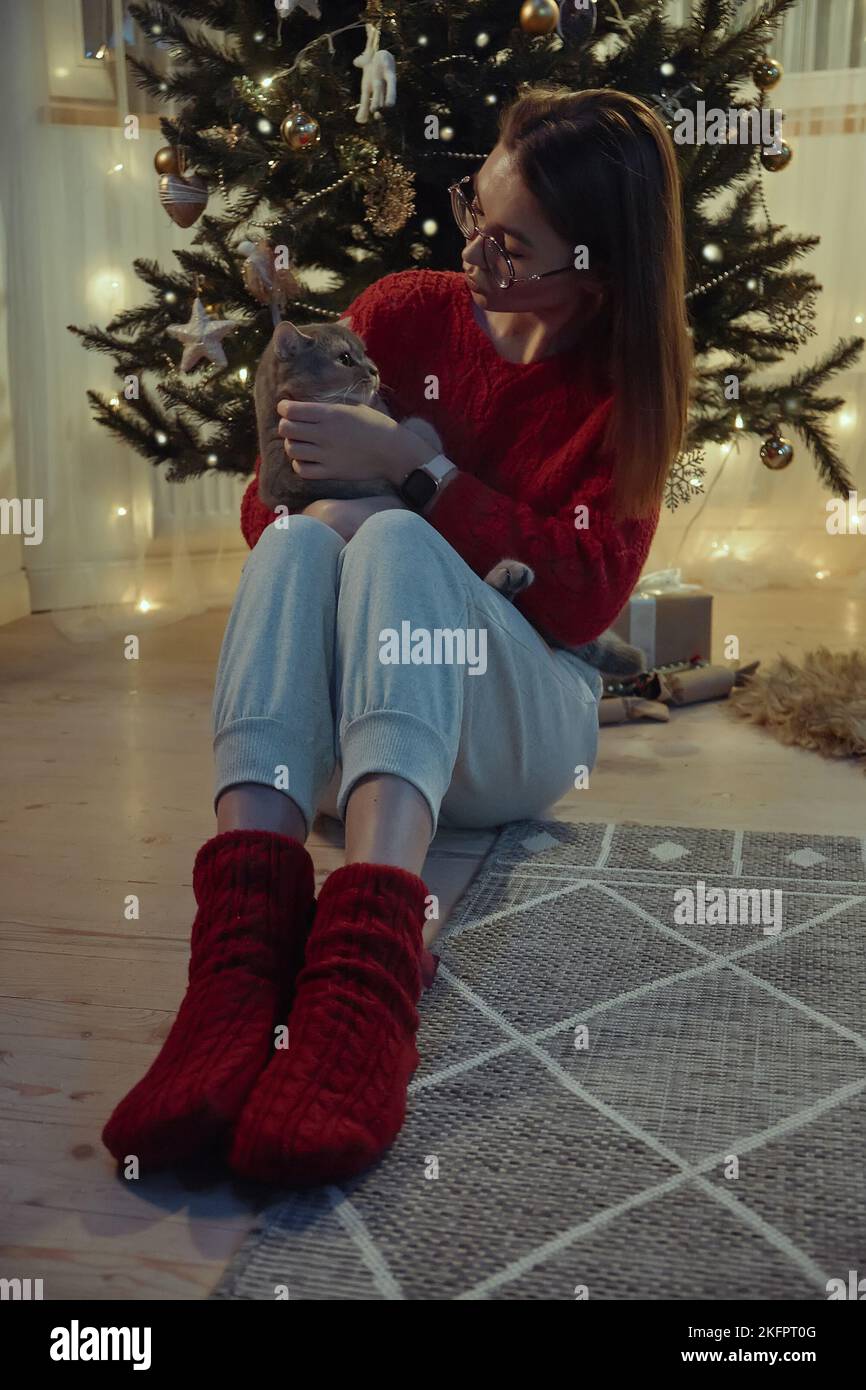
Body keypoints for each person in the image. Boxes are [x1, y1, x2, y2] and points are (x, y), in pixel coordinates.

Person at [102, 85, 691, 1186]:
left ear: (595, 271)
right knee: (298, 544)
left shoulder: (622, 387)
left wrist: (416, 478)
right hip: (355, 736)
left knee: (399, 544)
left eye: (511, 246)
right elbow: (257, 508)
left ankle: (372, 964)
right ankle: (239, 954)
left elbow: (576, 602)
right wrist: (330, 496)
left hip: (519, 725)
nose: (474, 249)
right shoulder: (404, 309)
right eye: (475, 209)